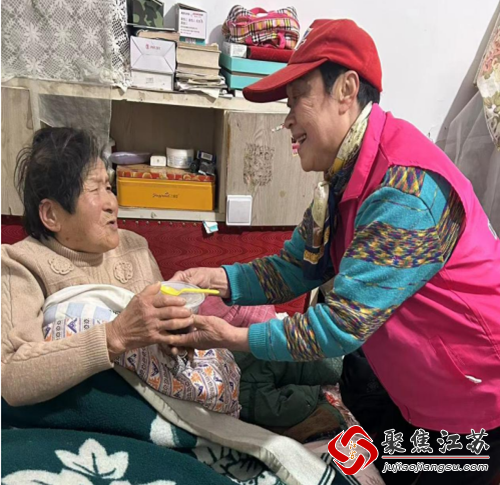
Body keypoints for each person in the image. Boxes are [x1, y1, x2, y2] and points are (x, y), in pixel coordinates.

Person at [164, 19, 500, 485]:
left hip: (472, 399)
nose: (287, 120)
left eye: (297, 99)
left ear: (346, 90)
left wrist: (231, 336)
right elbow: (294, 267)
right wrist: (214, 279)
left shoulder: (404, 189)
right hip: (410, 384)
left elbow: (340, 326)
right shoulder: (344, 178)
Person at [1, 127, 204, 407]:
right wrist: (115, 336)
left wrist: (175, 339)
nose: (112, 203)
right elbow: (12, 378)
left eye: (108, 187)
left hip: (158, 407)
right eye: (94, 189)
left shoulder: (134, 247)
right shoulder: (20, 263)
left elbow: (160, 340)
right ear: (51, 215)